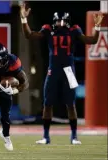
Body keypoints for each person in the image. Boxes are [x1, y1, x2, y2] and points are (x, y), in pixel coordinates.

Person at [19, 3, 104, 144]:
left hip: (69, 70)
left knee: (71, 104)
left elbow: (92, 40)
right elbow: (29, 35)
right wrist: (23, 19)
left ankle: (74, 136)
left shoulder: (74, 30)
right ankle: (46, 137)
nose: (61, 23)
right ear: (54, 21)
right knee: (48, 104)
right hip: (53, 70)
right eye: (59, 21)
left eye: (63, 21)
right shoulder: (47, 30)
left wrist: (97, 27)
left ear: (68, 22)